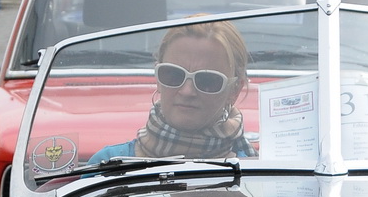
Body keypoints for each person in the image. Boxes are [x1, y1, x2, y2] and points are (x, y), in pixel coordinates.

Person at [89, 19, 253, 164]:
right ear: (158, 77)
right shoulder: (106, 165)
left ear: (234, 90)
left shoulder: (257, 175)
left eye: (207, 81)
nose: (187, 91)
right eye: (173, 75)